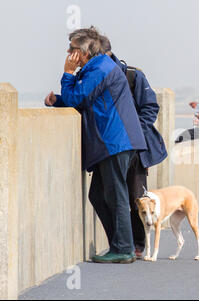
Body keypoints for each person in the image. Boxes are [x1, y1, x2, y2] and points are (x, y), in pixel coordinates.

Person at [45, 26, 146, 263]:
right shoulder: (97, 67)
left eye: (71, 48)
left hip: (114, 141)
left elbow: (77, 98)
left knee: (115, 195)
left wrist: (68, 74)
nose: (68, 52)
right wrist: (58, 101)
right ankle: (120, 246)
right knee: (99, 195)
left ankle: (124, 249)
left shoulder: (99, 68)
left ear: (83, 52)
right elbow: (86, 99)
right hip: (114, 141)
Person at [99, 35, 168, 258]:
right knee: (107, 195)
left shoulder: (133, 75)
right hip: (110, 147)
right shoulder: (96, 75)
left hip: (136, 148)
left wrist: (130, 132)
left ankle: (138, 245)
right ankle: (124, 244)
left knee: (136, 197)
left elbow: (150, 108)